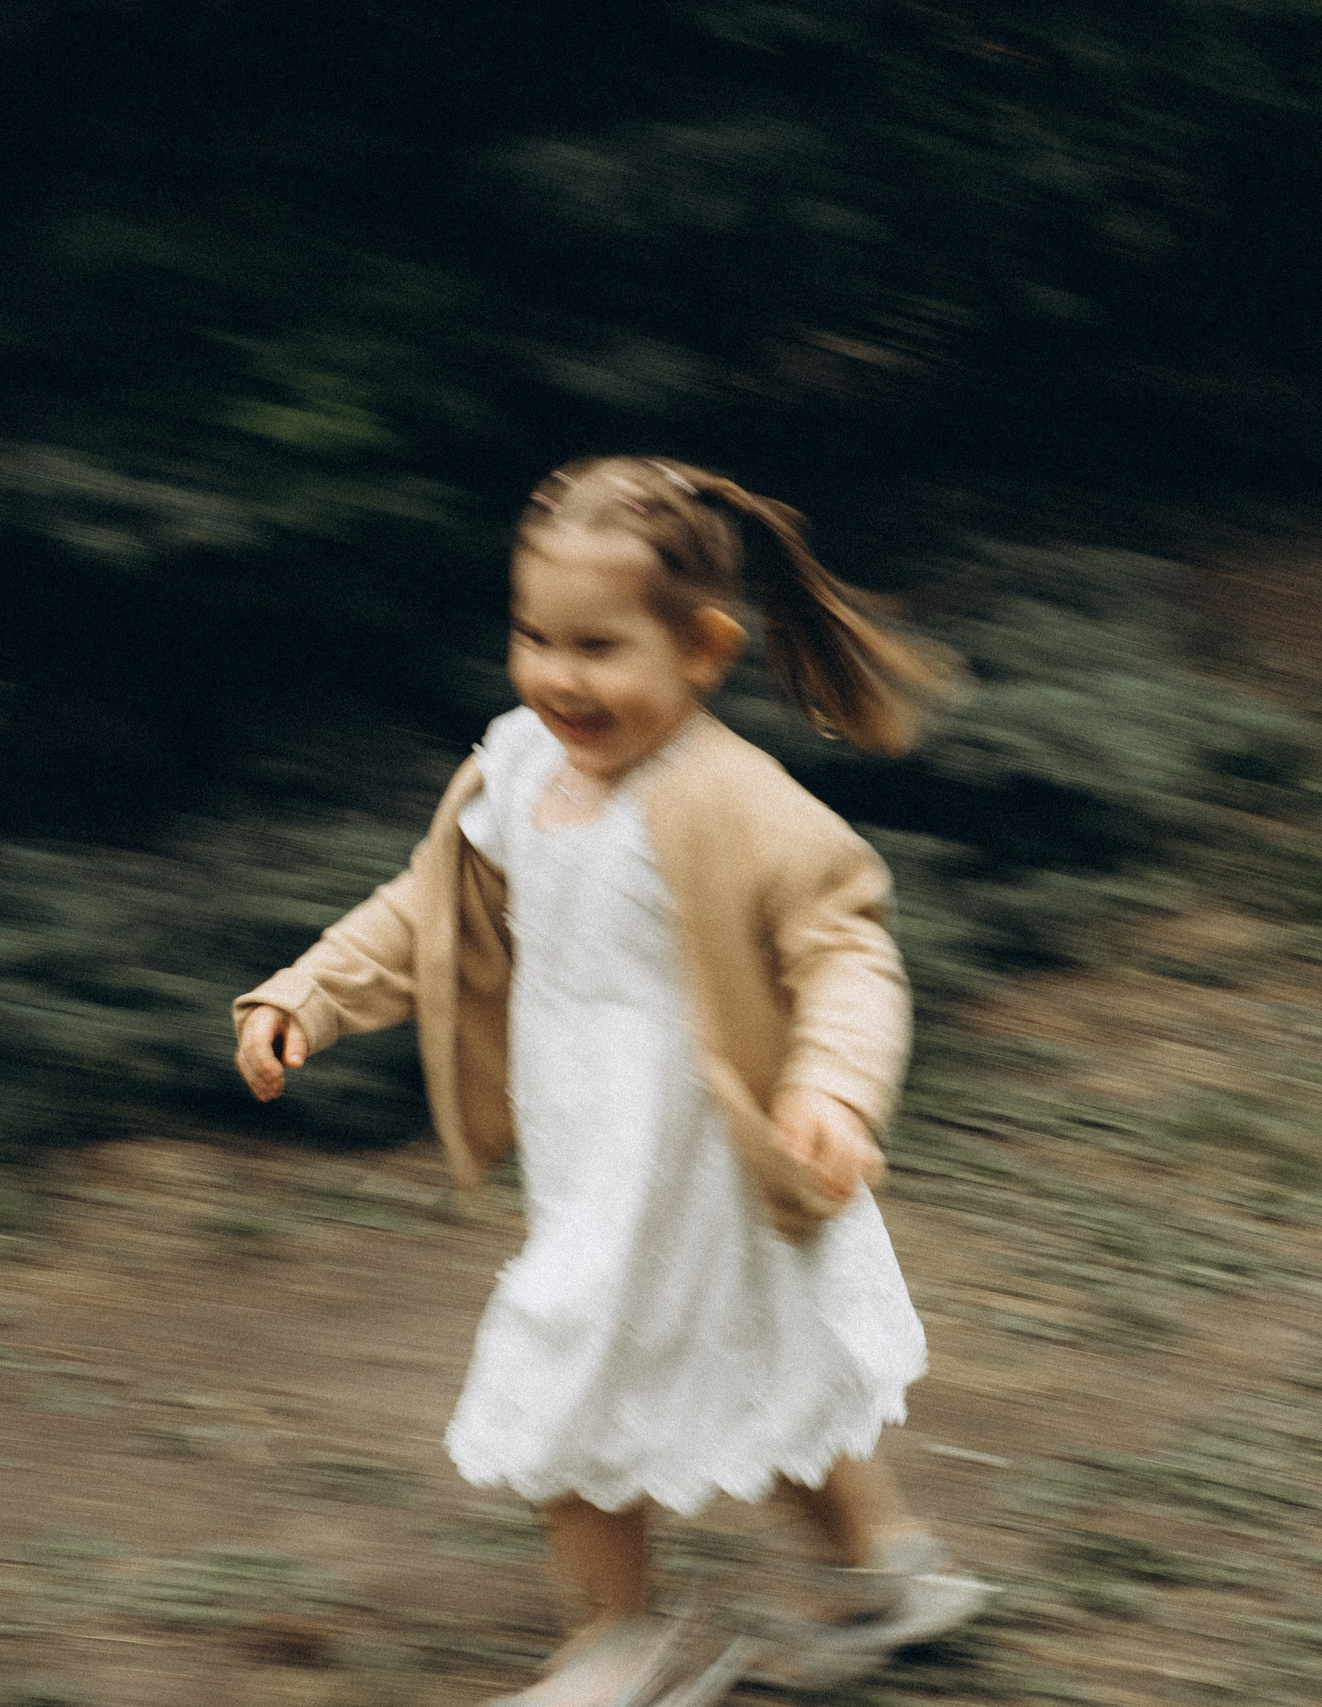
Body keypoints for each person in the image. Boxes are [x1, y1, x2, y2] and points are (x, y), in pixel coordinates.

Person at [231, 455, 982, 1707]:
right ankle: (892, 1576)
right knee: (760, 1371)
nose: (557, 676)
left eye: (597, 646)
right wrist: (308, 992)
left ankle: (622, 1643)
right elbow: (432, 913)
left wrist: (836, 1092)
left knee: (575, 1362)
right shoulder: (519, 769)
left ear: (702, 650)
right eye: (534, 636)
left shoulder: (736, 802)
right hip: (598, 1156)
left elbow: (848, 949)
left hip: (712, 1164)